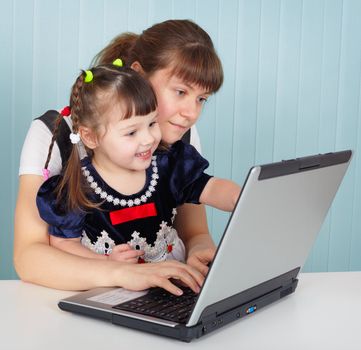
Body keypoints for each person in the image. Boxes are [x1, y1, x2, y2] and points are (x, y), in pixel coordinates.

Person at [14, 19, 224, 294]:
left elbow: (194, 230)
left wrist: (200, 249)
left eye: (202, 99)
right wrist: (125, 273)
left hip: (165, 294)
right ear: (138, 74)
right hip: (87, 299)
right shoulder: (56, 135)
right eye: (180, 91)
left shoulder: (180, 135)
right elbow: (29, 258)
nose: (192, 114)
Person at [36, 64, 240, 296]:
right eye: (132, 132)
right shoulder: (79, 187)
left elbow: (211, 188)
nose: (148, 139)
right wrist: (105, 262)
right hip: (114, 293)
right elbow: (64, 244)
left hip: (176, 285)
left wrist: (241, 199)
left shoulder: (167, 165)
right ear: (90, 137)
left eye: (152, 123)